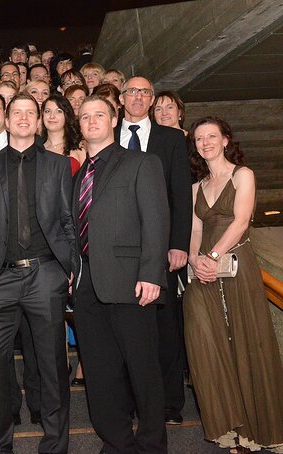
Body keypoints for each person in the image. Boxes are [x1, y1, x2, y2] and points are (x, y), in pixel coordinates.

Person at [0, 93, 76, 454]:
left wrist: (68, 267)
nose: (24, 118)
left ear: (39, 120)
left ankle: (55, 445)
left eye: (31, 113)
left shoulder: (59, 165)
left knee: (52, 365)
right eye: (17, 112)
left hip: (45, 274)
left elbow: (67, 221)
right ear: (6, 118)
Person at [73, 96, 169, 453]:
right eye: (85, 116)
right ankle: (117, 442)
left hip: (132, 284)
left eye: (99, 114)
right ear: (79, 126)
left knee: (143, 373)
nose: (92, 121)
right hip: (87, 289)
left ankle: (151, 445)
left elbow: (156, 220)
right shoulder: (80, 173)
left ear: (114, 120)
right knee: (100, 375)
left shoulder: (142, 163)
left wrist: (151, 274)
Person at [184, 117, 283, 453]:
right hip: (203, 274)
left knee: (246, 341)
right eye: (199, 138)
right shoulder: (196, 187)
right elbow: (195, 230)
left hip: (236, 268)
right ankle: (227, 423)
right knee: (207, 346)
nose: (205, 142)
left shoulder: (243, 175)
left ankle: (257, 427)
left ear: (226, 139)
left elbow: (241, 222)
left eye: (212, 136)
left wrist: (212, 256)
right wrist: (196, 260)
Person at [117, 76, 192, 425]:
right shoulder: (105, 134)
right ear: (121, 98)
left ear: (151, 100)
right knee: (127, 329)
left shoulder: (171, 138)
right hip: (118, 251)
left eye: (144, 92)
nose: (137, 97)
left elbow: (180, 194)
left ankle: (169, 403)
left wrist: (179, 243)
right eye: (131, 91)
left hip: (161, 248)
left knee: (164, 327)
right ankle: (130, 400)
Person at [41, 94, 85, 174]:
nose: (52, 116)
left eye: (58, 111)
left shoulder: (79, 148)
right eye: (47, 111)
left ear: (66, 115)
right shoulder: (38, 149)